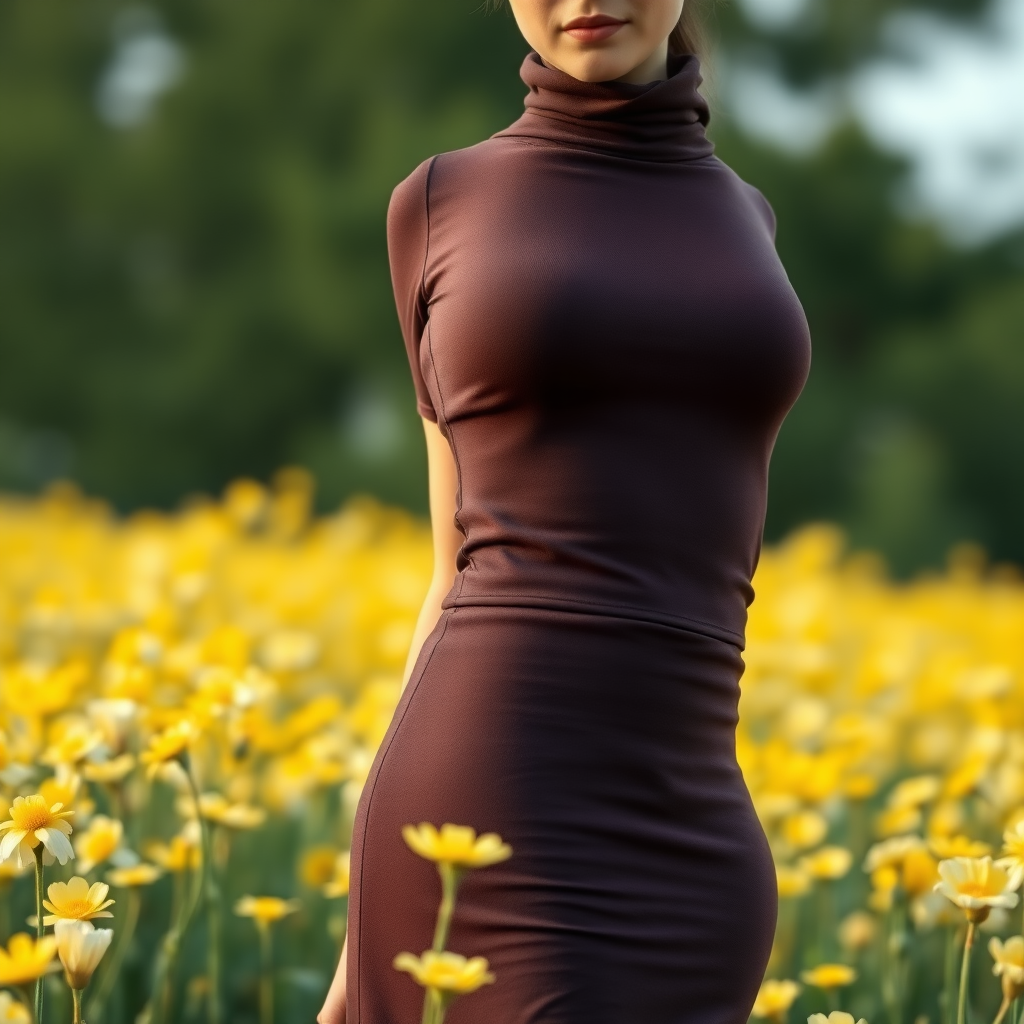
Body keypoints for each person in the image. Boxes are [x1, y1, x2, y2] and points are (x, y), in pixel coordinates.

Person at [318, 0, 810, 1020]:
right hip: (493, 803)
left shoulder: (748, 220)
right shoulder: (439, 202)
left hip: (698, 830)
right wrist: (358, 938)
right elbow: (450, 562)